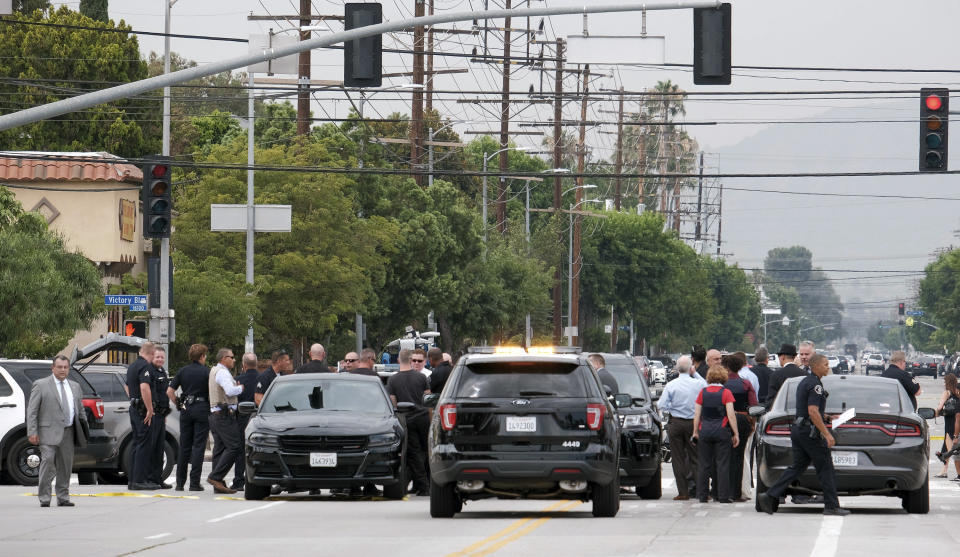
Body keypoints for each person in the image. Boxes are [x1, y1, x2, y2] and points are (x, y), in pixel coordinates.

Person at [758, 353, 850, 516]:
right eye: (825, 364)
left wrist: (828, 417)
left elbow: (809, 410)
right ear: (815, 366)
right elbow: (812, 411)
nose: (828, 367)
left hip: (799, 430)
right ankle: (831, 506)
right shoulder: (815, 385)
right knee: (826, 468)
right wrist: (827, 434)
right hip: (809, 433)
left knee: (797, 467)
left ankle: (769, 495)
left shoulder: (806, 381)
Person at [27, 356, 88, 507]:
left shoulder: (75, 386)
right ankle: (45, 498)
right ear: (53, 368)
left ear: (68, 369)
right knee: (47, 462)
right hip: (47, 432)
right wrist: (32, 431)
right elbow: (32, 411)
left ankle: (63, 497)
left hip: (68, 431)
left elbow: (79, 410)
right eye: (59, 367)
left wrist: (84, 428)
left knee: (66, 466)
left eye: (65, 367)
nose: (62, 370)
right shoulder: (41, 385)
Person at [658, 355, 707, 500]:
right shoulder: (697, 384)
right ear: (691, 367)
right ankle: (701, 491)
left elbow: (661, 404)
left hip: (676, 422)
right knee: (696, 457)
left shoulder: (671, 385)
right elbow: (706, 386)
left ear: (677, 368)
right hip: (693, 422)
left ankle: (683, 492)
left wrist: (672, 407)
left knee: (678, 458)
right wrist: (695, 373)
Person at [386, 349, 431, 496]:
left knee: (413, 453)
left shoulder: (393, 380)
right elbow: (428, 400)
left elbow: (393, 403)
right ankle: (424, 484)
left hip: (407, 419)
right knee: (426, 451)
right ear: (411, 360)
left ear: (399, 360)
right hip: (423, 417)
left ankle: (423, 486)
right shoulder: (422, 377)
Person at [692, 365, 739, 504]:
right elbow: (730, 415)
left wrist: (695, 431)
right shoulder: (726, 393)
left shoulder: (703, 392)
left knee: (704, 464)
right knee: (722, 464)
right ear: (724, 377)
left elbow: (697, 414)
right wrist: (735, 433)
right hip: (722, 430)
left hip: (705, 430)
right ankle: (723, 496)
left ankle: (702, 495)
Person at [167, 343, 210, 491]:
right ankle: (194, 483)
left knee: (184, 446)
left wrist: (178, 404)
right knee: (198, 446)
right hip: (202, 408)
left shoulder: (182, 371)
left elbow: (170, 391)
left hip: (186, 409)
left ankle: (179, 483)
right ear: (202, 356)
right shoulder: (206, 372)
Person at [720, 353, 758, 502]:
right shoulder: (746, 384)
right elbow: (753, 406)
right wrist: (752, 423)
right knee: (738, 457)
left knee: (722, 456)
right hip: (742, 419)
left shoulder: (722, 384)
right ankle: (735, 492)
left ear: (727, 368)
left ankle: (721, 490)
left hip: (723, 420)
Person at [207, 348, 244, 494]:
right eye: (232, 357)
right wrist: (239, 388)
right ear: (224, 358)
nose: (234, 360)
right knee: (235, 447)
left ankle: (218, 484)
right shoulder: (222, 372)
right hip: (224, 415)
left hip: (216, 414)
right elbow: (229, 391)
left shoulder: (214, 370)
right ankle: (216, 477)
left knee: (220, 448)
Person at [126, 341, 161, 490]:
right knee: (144, 444)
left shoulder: (132, 366)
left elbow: (127, 385)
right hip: (142, 411)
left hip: (134, 408)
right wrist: (149, 409)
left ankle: (133, 480)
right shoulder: (145, 366)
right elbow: (144, 387)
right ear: (152, 353)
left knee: (136, 444)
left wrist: (134, 401)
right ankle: (139, 481)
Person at [232, 352, 259, 491]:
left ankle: (238, 480)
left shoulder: (238, 380)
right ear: (257, 364)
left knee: (240, 450)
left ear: (243, 365)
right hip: (259, 418)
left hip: (242, 417)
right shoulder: (263, 379)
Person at [147, 346, 172, 489]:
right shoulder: (150, 371)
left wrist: (165, 413)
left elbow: (165, 395)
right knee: (152, 447)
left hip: (161, 415)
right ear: (152, 357)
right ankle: (150, 478)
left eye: (162, 357)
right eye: (157, 357)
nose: (160, 359)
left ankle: (158, 478)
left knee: (159, 448)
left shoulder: (163, 372)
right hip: (154, 414)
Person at [935, 373, 960, 479]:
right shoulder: (958, 392)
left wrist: (935, 413)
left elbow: (940, 406)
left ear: (947, 382)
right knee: (949, 447)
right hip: (957, 420)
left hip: (950, 421)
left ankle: (945, 471)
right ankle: (944, 470)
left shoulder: (947, 392)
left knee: (949, 447)